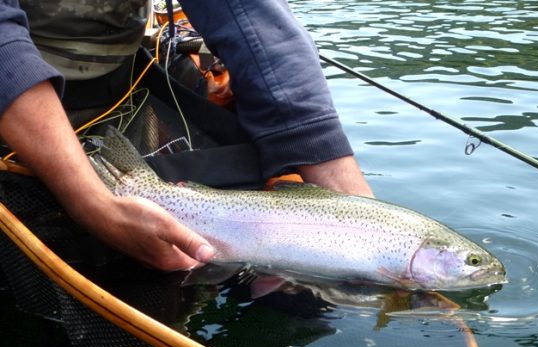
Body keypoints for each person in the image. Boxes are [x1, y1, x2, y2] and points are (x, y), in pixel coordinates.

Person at [0, 0, 374, 271]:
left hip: (119, 84)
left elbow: (252, 20)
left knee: (306, 305)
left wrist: (358, 209)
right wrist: (93, 205)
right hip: (15, 101)